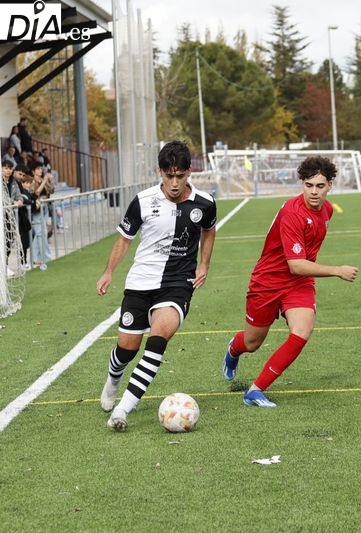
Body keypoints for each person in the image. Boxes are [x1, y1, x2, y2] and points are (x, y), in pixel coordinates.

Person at [96, 140, 216, 431]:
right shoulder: (142, 200)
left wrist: (203, 264)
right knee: (127, 348)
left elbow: (209, 231)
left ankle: (123, 410)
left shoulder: (205, 203)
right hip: (140, 283)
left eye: (180, 175)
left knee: (157, 342)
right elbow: (125, 239)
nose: (175, 183)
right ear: (160, 171)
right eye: (169, 175)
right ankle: (114, 378)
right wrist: (108, 271)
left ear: (189, 172)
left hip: (177, 284)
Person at [222, 156, 359, 407]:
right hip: (268, 280)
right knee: (252, 342)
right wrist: (337, 270)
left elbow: (300, 268)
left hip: (299, 282)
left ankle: (255, 391)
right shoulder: (292, 213)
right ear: (302, 184)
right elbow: (295, 264)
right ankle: (234, 349)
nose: (314, 192)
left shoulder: (327, 210)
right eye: (309, 185)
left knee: (302, 331)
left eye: (320, 186)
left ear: (330, 185)